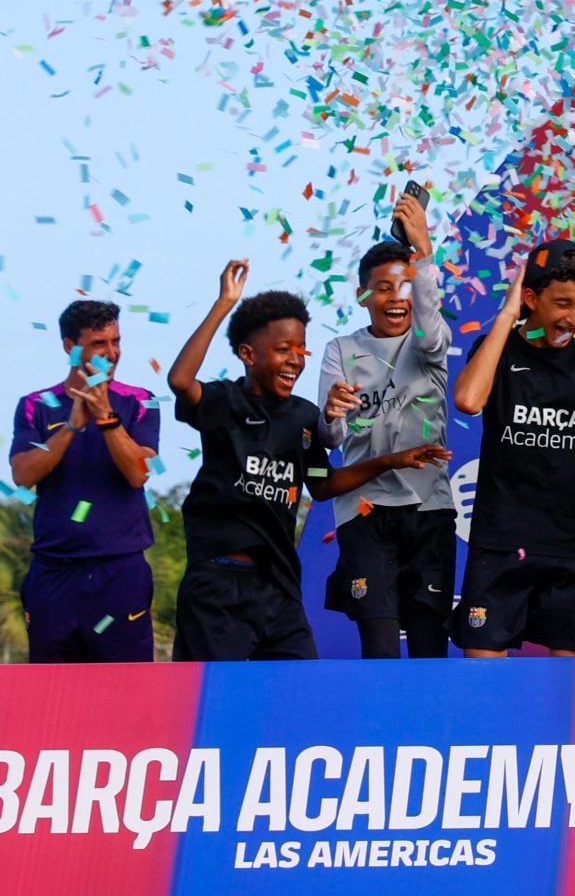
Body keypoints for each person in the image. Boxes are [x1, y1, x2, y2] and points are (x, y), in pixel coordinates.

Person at [167, 262, 447, 660]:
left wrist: (390, 460)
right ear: (248, 354)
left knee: (298, 685)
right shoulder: (225, 403)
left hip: (280, 589)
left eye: (301, 350)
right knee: (223, 692)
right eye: (283, 350)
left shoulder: (302, 417)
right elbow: (180, 381)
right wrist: (224, 304)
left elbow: (322, 483)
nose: (295, 360)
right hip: (219, 585)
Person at [449, 238, 575, 657]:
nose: (574, 317)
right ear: (531, 299)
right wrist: (507, 316)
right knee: (483, 682)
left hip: (570, 546)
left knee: (565, 684)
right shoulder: (497, 349)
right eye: (562, 304)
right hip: (500, 542)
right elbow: (468, 400)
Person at [315, 190, 456, 659]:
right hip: (364, 513)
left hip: (428, 510)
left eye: (405, 287)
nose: (396, 298)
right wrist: (331, 413)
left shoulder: (428, 341)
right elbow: (330, 438)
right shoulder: (340, 349)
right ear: (362, 295)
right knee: (378, 646)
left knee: (429, 644)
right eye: (382, 288)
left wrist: (424, 250)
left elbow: (430, 328)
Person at [10, 298, 161, 662]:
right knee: (51, 689)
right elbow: (23, 475)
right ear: (70, 347)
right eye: (99, 344)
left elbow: (139, 473)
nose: (112, 353)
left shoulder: (142, 401)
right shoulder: (35, 404)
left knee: (128, 686)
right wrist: (71, 427)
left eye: (116, 341)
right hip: (54, 572)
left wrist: (106, 416)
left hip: (120, 572)